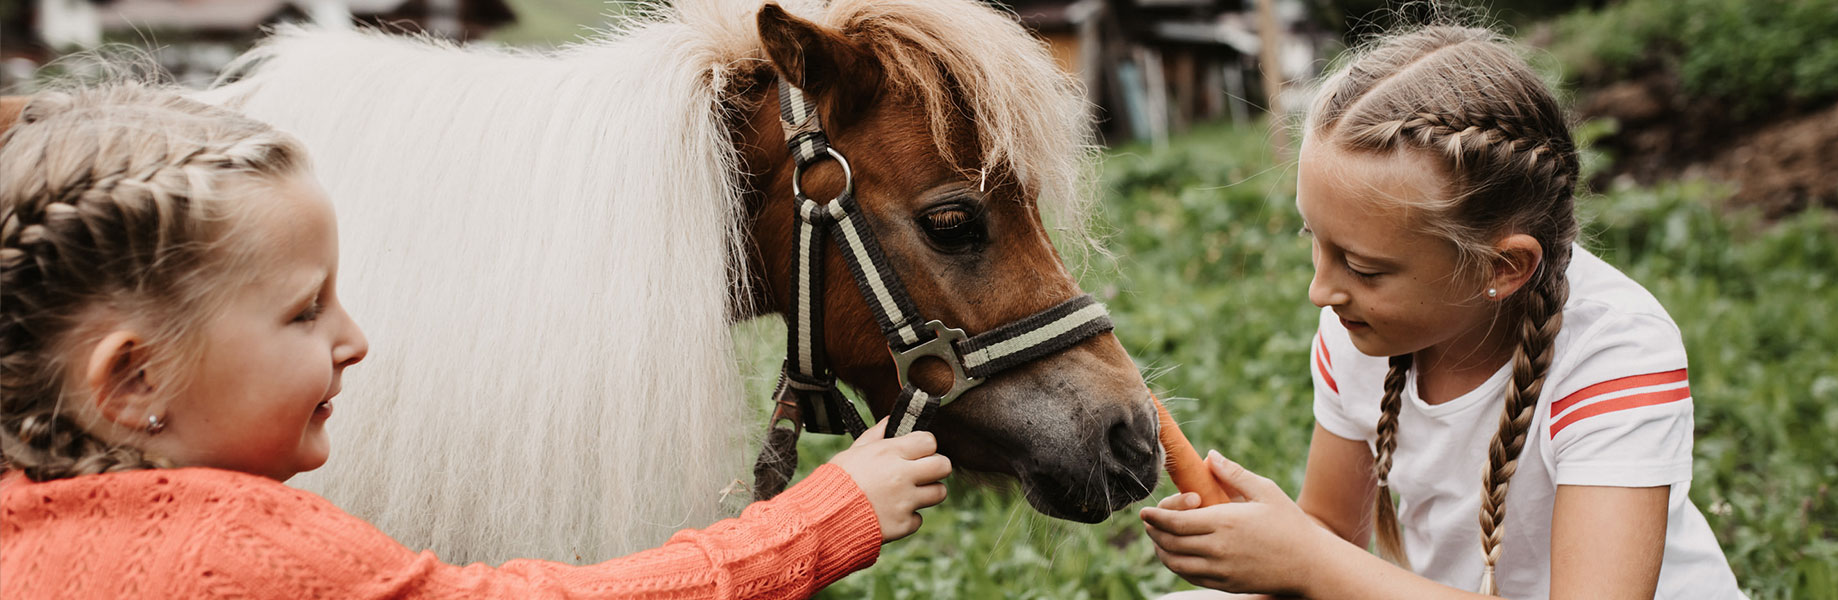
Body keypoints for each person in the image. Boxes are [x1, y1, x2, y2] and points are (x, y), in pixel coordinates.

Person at [0, 83, 950, 599]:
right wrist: (824, 519)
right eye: (304, 312)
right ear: (133, 381)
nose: (357, 339)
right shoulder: (240, 551)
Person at [1139, 25, 1744, 599]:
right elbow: (1328, 530)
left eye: (1365, 268)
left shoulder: (1616, 352)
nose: (1320, 292)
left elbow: (1324, 563)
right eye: (1312, 241)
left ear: (1502, 268)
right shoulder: (1360, 330)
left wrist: (1308, 559)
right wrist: (1263, 548)